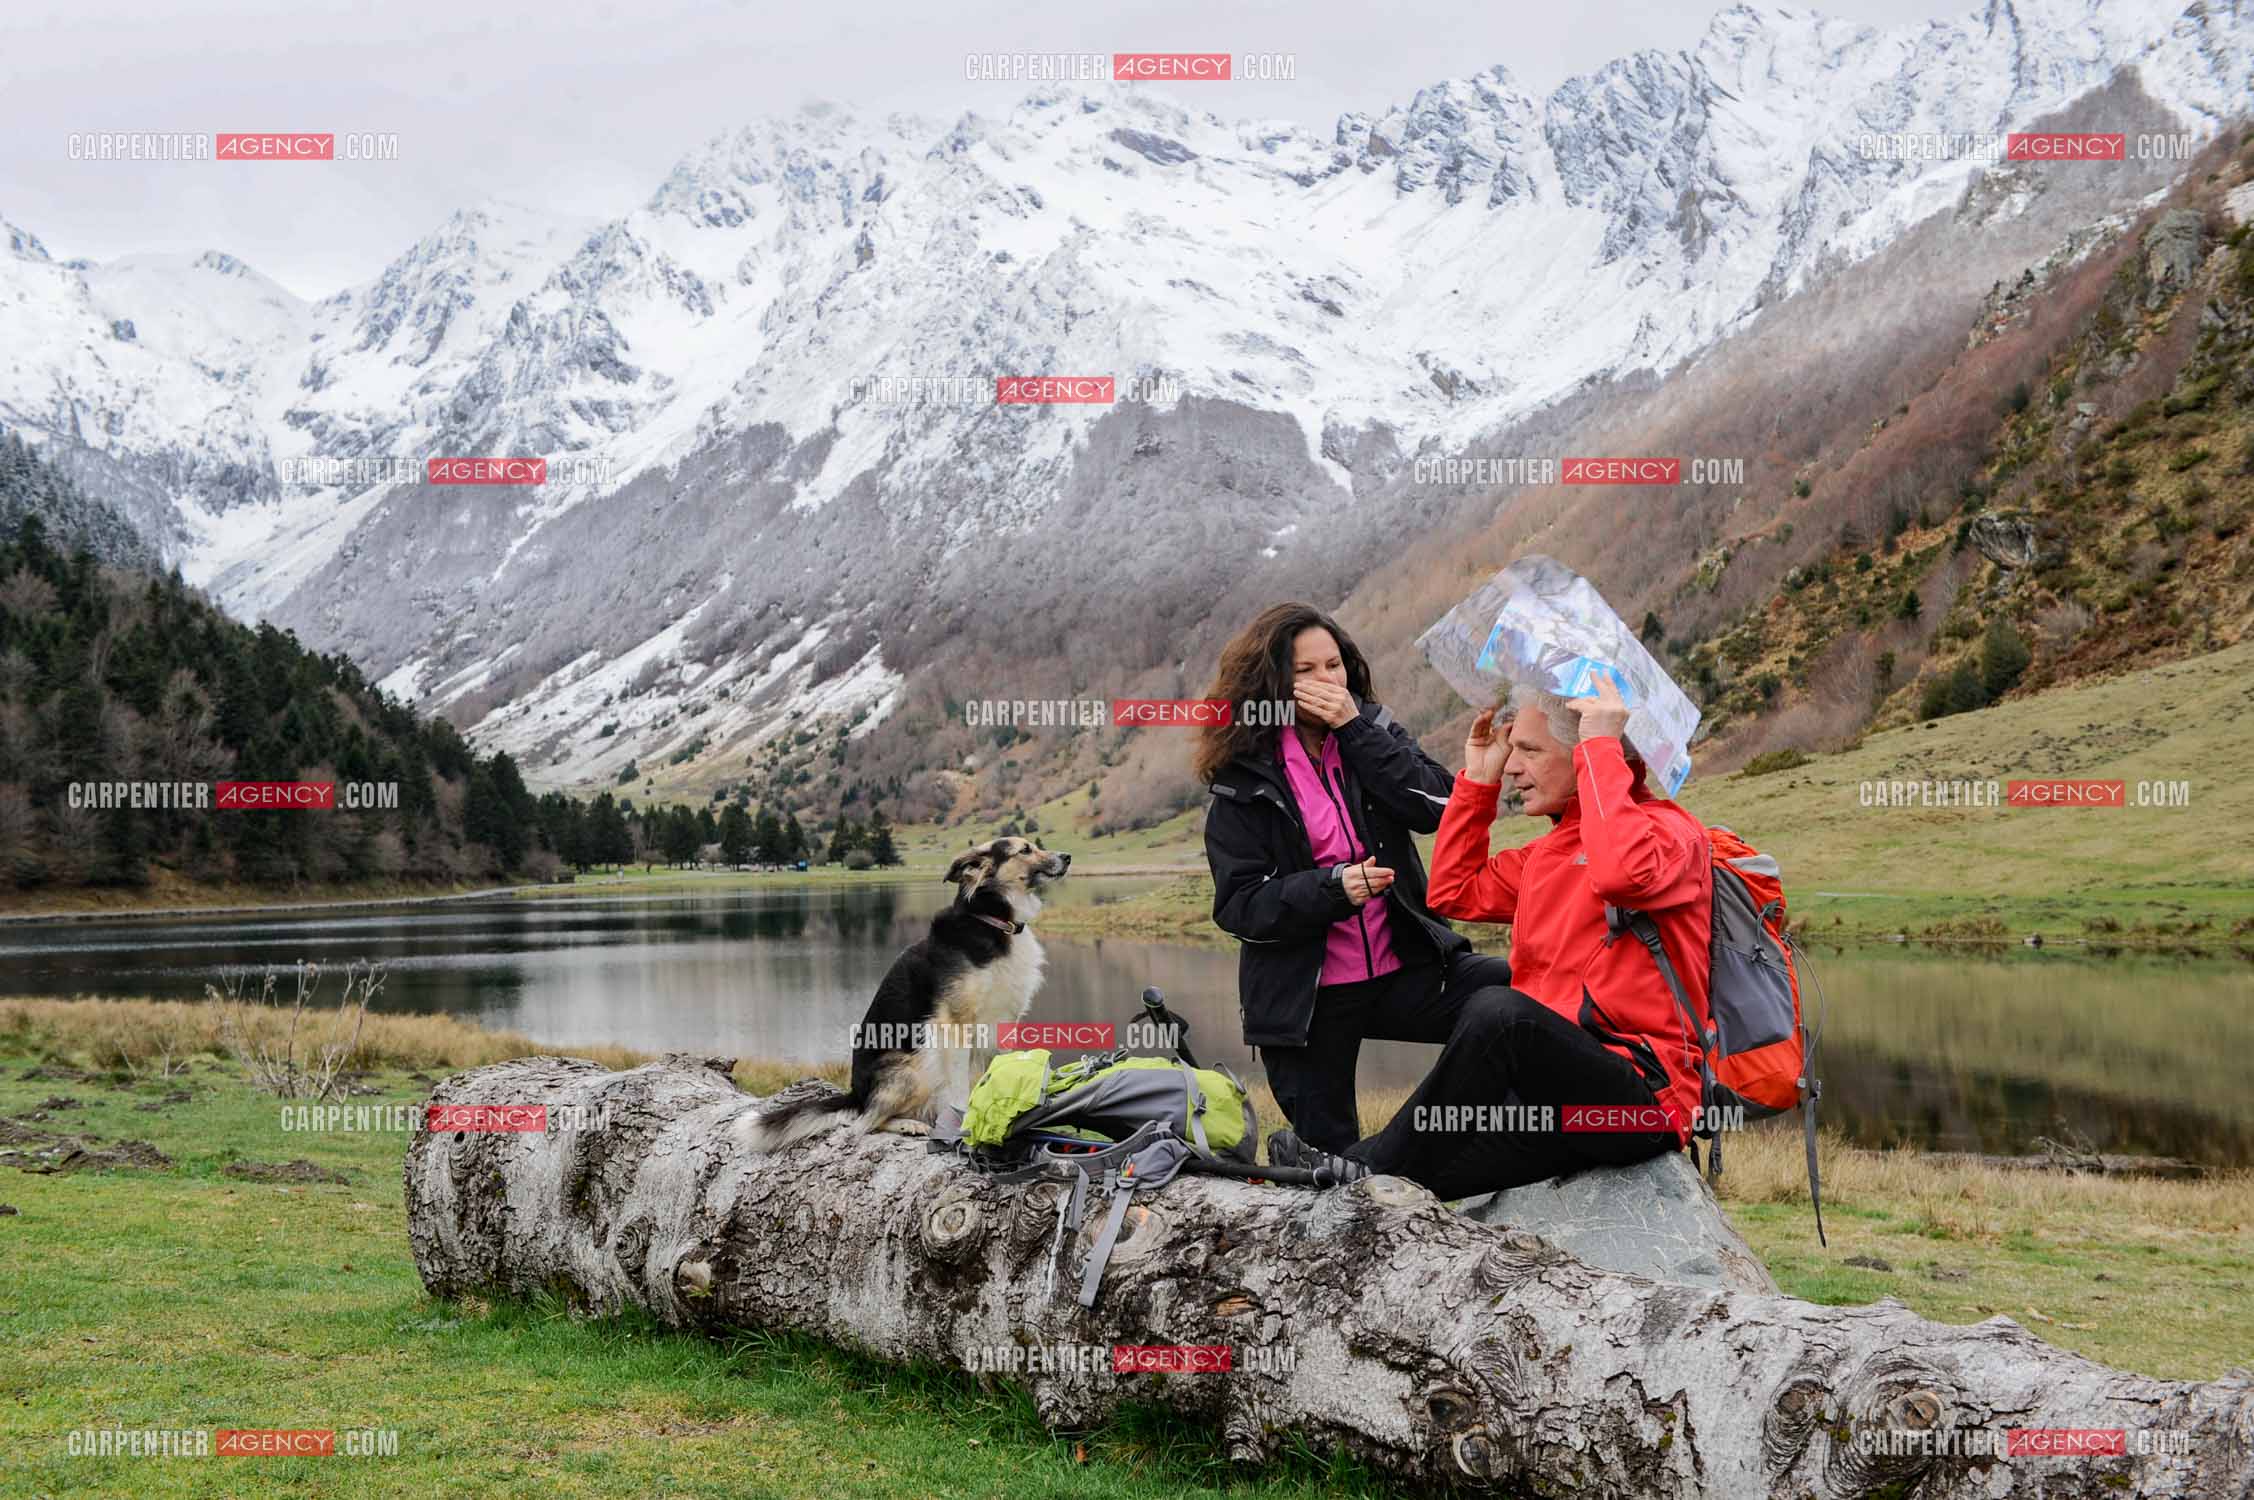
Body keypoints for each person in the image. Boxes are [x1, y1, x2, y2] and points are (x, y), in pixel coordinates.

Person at [1266, 675, 1712, 1196]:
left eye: (1530, 751)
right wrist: (1477, 782)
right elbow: (1454, 891)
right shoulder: (1549, 855)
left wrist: (1601, 746)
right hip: (1550, 1101)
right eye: (1513, 751)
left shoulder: (1672, 837)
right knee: (1417, 1169)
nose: (1513, 767)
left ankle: (1361, 1171)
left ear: (1587, 755)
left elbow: (1620, 875)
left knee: (1499, 1010)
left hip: (1641, 1106)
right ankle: (1334, 1176)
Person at [1196, 603, 1514, 1154]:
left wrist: (1356, 730)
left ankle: (1474, 1140)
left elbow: (1439, 807)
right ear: (1271, 684)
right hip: (1308, 999)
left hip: (1404, 968)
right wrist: (1334, 888)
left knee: (1518, 993)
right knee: (1330, 1159)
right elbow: (1241, 906)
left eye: (1334, 665)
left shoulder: (1372, 731)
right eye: (1305, 670)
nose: (1328, 681)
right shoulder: (1243, 777)